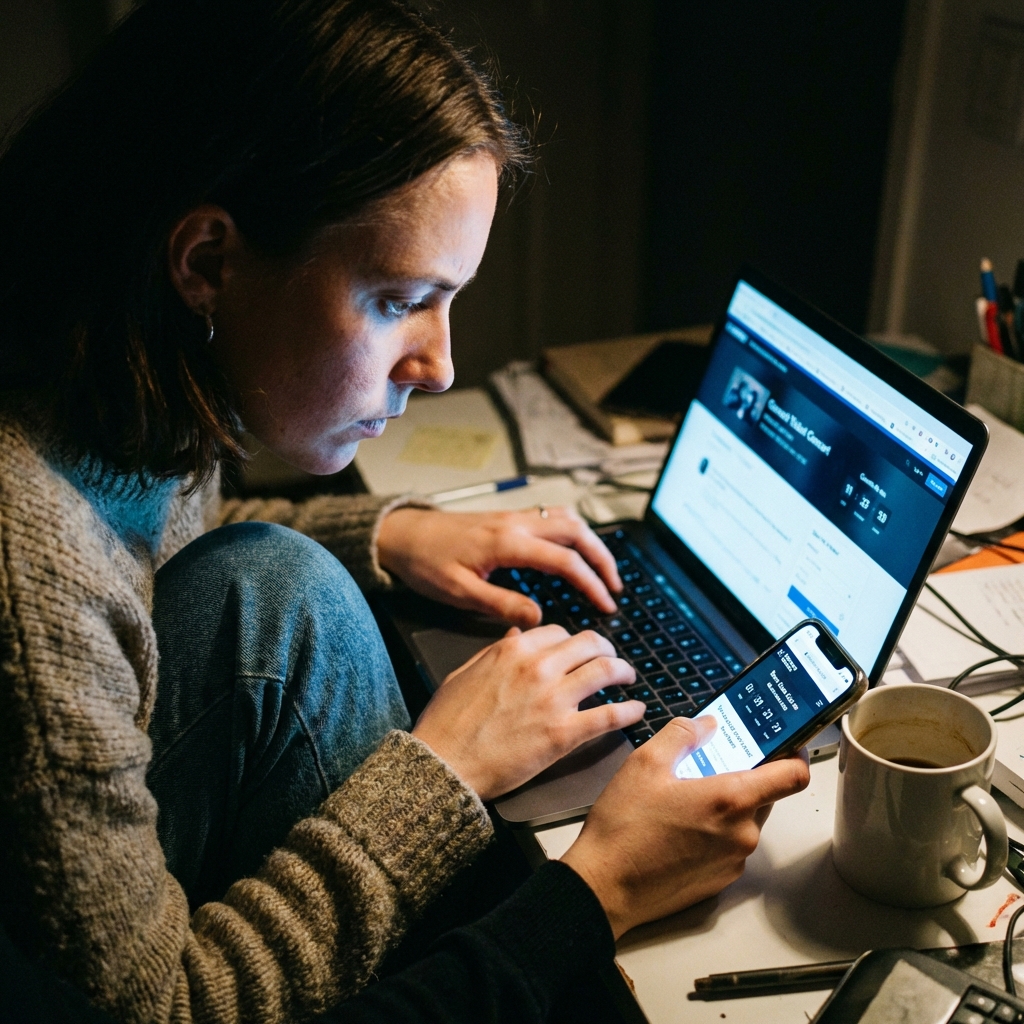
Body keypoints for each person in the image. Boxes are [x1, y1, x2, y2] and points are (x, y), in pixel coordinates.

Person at [0, 1, 810, 1022]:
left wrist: (387, 533)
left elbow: (156, 551)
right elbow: (160, 1009)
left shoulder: (107, 390)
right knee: (295, 595)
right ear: (207, 262)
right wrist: (455, 785)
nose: (438, 366)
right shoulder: (29, 564)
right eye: (396, 301)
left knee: (281, 575)